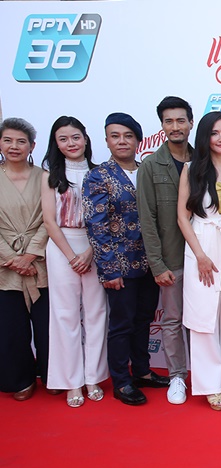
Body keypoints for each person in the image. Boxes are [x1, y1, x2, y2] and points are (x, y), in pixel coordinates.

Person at [83, 113, 170, 406]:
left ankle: (142, 371)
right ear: (107, 140)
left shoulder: (146, 170)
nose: (122, 141)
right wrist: (109, 269)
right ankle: (121, 381)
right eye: (115, 136)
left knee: (144, 319)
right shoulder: (99, 176)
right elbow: (96, 226)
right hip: (119, 265)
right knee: (121, 324)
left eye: (128, 136)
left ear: (138, 140)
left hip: (150, 264)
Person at [177, 112, 221, 411]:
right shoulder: (191, 169)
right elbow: (182, 216)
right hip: (203, 241)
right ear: (204, 136)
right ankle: (208, 384)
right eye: (215, 133)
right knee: (204, 316)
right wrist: (200, 255)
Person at [42, 116, 109, 407]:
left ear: (85, 138)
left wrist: (91, 251)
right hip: (62, 247)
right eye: (63, 139)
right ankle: (71, 381)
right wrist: (72, 257)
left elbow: (106, 219)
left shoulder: (100, 172)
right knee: (65, 315)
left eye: (75, 137)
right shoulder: (50, 176)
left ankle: (93, 377)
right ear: (56, 144)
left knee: (97, 313)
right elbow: (49, 221)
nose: (71, 143)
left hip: (96, 245)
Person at [136, 96, 194, 405]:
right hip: (171, 259)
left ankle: (205, 374)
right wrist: (157, 264)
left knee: (202, 320)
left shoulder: (203, 160)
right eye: (169, 121)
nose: (175, 126)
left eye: (180, 120)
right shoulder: (150, 165)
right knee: (172, 321)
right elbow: (147, 218)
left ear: (190, 123)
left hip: (203, 258)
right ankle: (177, 377)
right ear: (162, 126)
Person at [0, 118, 49, 401]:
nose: (14, 146)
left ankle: (51, 374)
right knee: (11, 328)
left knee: (46, 325)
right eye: (8, 140)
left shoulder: (45, 177)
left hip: (40, 262)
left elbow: (49, 220)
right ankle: (20, 380)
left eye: (21, 141)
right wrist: (12, 258)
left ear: (32, 146)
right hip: (5, 266)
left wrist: (30, 254)